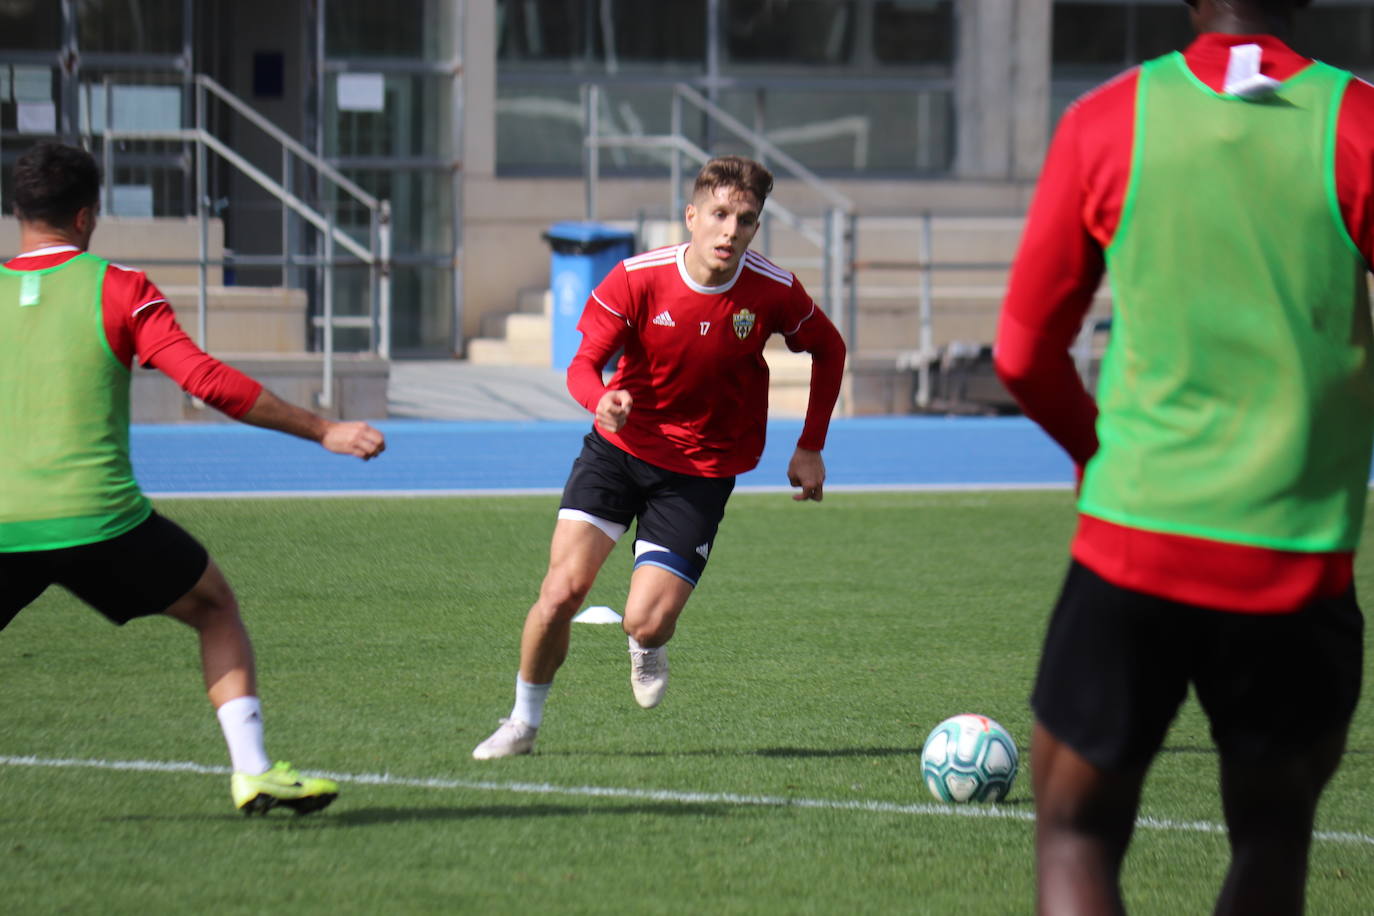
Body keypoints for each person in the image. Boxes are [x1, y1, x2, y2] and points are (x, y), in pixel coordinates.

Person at [996, 1, 1373, 912]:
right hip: (1296, 559)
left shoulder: (1106, 119)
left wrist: (1098, 454)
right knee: (1274, 843)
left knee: (1078, 835)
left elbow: (1020, 354)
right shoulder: (1358, 122)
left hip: (1134, 543)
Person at [0, 142, 386, 816]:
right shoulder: (119, 287)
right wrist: (322, 428)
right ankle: (254, 770)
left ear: (16, 211)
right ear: (88, 216)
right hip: (101, 520)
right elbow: (207, 383)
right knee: (213, 607)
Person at [472, 156, 847, 759]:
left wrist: (810, 445)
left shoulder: (773, 291)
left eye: (746, 220)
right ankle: (522, 722)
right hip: (618, 452)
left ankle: (646, 643)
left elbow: (829, 348)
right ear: (691, 216)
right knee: (562, 591)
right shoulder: (635, 277)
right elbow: (580, 366)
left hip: (700, 473)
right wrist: (601, 401)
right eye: (720, 215)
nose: (730, 231)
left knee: (644, 621)